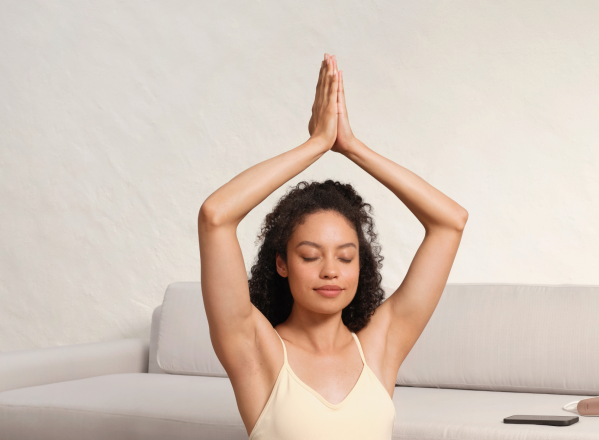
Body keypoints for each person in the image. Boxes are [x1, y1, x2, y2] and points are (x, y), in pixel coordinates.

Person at [198, 53, 468, 439]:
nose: (330, 270)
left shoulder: (379, 345)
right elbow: (215, 216)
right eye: (310, 255)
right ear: (282, 263)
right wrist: (316, 145)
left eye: (346, 256)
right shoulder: (256, 350)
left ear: (362, 265)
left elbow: (450, 222)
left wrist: (351, 147)